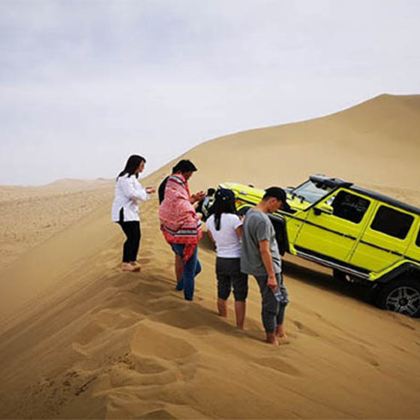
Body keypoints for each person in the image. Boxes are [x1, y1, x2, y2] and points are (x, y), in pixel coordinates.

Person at [241, 187, 290, 345]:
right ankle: (271, 337)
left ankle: (279, 329)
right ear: (273, 201)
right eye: (279, 206)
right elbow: (264, 250)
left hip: (272, 268)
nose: (279, 210)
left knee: (282, 298)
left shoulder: (250, 212)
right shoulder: (262, 220)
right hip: (268, 270)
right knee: (272, 303)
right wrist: (270, 276)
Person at [159, 160, 205, 300]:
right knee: (191, 270)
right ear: (182, 172)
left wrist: (194, 199)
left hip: (171, 231)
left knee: (193, 267)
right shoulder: (173, 186)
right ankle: (188, 301)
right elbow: (184, 209)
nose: (188, 179)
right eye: (188, 175)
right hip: (184, 236)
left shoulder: (170, 188)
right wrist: (196, 219)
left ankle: (180, 285)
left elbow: (178, 204)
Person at [206, 189, 248, 329]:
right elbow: (242, 238)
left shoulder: (210, 219)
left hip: (221, 259)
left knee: (222, 291)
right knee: (240, 295)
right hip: (236, 260)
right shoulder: (233, 219)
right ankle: (239, 326)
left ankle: (222, 318)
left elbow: (212, 239)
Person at [112, 155, 155, 272]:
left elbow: (137, 193)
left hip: (131, 212)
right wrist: (146, 191)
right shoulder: (124, 178)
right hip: (124, 213)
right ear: (135, 165)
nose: (143, 168)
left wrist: (145, 191)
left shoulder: (132, 178)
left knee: (136, 236)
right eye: (141, 165)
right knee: (132, 237)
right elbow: (131, 194)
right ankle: (126, 263)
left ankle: (132, 260)